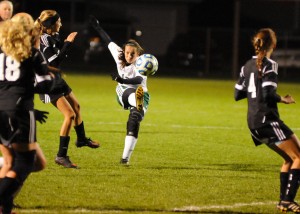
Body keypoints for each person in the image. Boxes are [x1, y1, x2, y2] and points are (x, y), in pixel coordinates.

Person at [234, 28, 300, 213]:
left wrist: (253, 91)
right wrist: (283, 99)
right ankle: (288, 200)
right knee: (299, 157)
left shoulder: (246, 65)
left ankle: (282, 201)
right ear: (274, 44)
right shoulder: (270, 65)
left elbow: (237, 94)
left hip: (253, 123)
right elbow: (268, 93)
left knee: (289, 158)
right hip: (267, 120)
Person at [0, 15, 61, 214]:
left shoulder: (1, 53)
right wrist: (52, 78)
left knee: (12, 162)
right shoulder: (31, 53)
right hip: (18, 111)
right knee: (27, 162)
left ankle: (5, 209)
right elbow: (45, 85)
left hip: (1, 111)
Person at [35, 10, 100, 169]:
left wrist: (63, 44)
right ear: (51, 24)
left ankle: (82, 139)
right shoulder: (43, 40)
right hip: (47, 83)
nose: (61, 23)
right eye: (59, 21)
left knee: (76, 107)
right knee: (69, 115)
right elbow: (55, 63)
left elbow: (58, 59)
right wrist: (68, 43)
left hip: (57, 79)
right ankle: (61, 156)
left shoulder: (53, 36)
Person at [90, 16, 149, 165]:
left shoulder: (142, 63)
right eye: (127, 52)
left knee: (134, 120)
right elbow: (108, 40)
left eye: (133, 54)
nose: (129, 55)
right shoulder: (119, 54)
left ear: (138, 54)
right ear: (123, 51)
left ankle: (125, 159)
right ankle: (137, 105)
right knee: (136, 97)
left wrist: (122, 79)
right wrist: (97, 27)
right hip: (123, 92)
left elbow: (138, 80)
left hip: (141, 94)